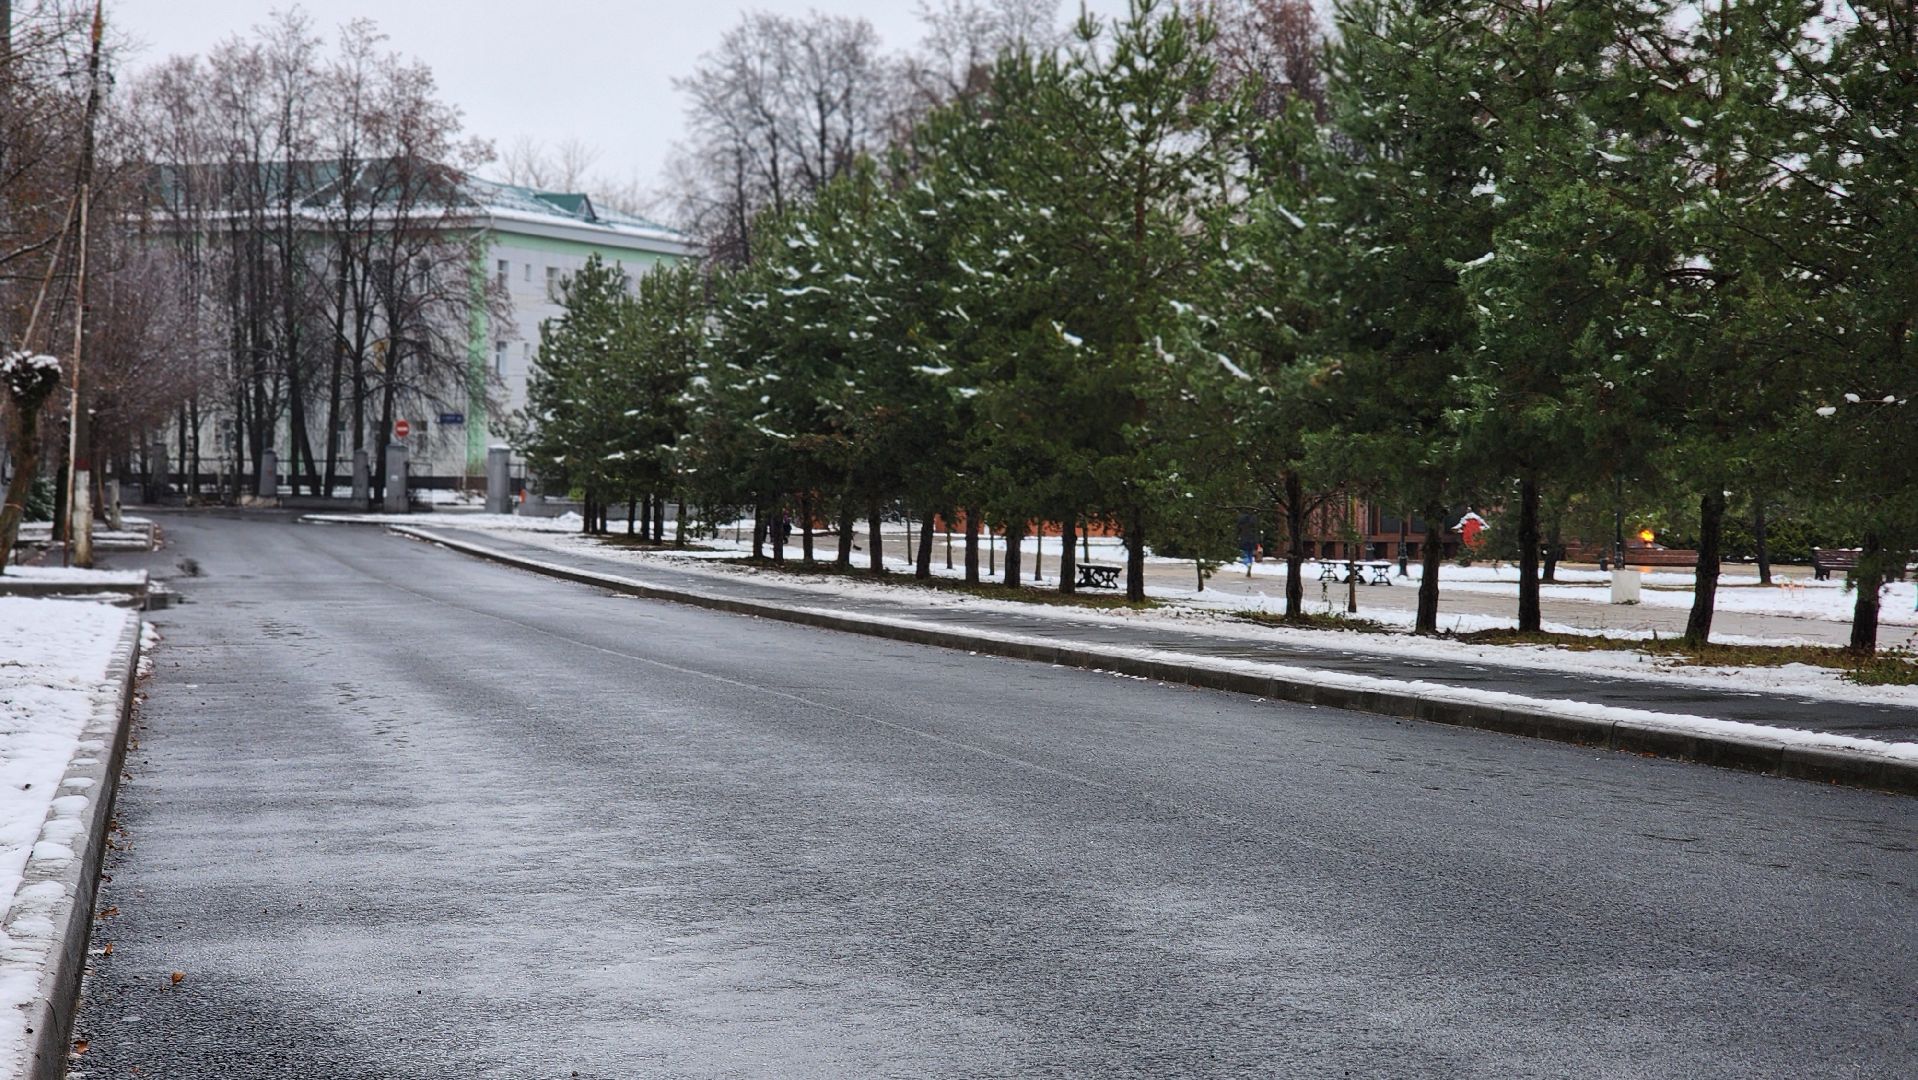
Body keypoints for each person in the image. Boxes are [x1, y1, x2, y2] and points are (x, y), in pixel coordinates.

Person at [1236, 511, 1259, 577]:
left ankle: (1247, 564)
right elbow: (1256, 530)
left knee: (1244, 554)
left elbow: (1238, 529)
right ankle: (1250, 565)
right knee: (1250, 554)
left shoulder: (1241, 519)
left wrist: (1237, 537)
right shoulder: (1254, 519)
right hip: (1253, 540)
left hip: (1244, 539)